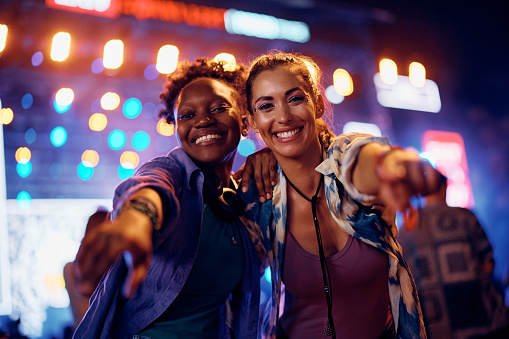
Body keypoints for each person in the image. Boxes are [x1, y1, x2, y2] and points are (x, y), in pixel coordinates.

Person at [238, 51, 441, 339]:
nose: (283, 116)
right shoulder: (259, 200)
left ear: (318, 104)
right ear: (254, 121)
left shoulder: (345, 157)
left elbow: (362, 157)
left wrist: (387, 166)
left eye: (295, 99)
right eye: (266, 106)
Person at [72, 58, 262, 338]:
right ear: (175, 127)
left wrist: (274, 153)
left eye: (219, 108)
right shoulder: (171, 170)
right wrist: (138, 217)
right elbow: (150, 186)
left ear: (245, 122)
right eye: (187, 115)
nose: (203, 121)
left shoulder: (242, 200)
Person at [398, 173, 509, 339]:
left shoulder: (406, 230)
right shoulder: (466, 216)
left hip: (435, 328)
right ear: (445, 187)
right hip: (483, 322)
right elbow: (488, 264)